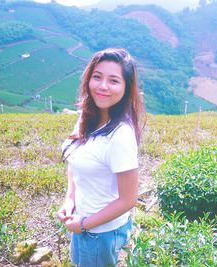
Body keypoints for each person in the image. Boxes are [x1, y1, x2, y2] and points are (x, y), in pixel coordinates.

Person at [57, 47, 145, 266]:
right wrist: (70, 200)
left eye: (114, 81)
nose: (103, 86)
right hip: (83, 220)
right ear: (88, 79)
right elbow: (76, 161)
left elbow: (128, 199)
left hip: (101, 231)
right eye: (97, 77)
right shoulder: (87, 118)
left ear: (126, 87)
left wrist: (85, 224)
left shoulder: (120, 135)